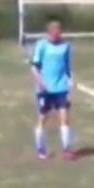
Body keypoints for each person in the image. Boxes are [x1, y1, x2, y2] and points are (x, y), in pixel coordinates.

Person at [30, 19, 76, 161]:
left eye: (59, 32)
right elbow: (34, 66)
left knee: (64, 118)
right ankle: (41, 148)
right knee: (43, 118)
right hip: (45, 89)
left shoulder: (66, 46)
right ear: (49, 33)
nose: (57, 35)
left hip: (61, 87)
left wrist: (70, 82)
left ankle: (67, 149)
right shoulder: (42, 45)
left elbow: (68, 66)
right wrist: (40, 82)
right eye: (54, 32)